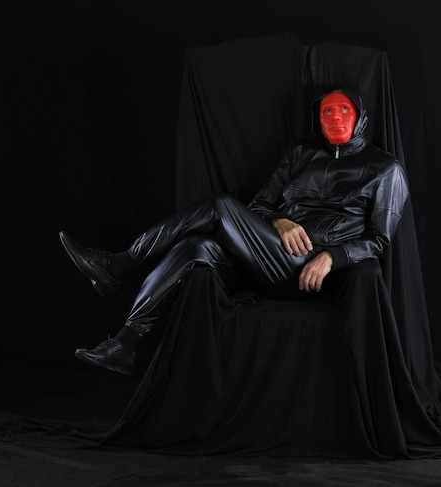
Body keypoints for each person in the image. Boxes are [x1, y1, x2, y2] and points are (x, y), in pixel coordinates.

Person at [59, 87, 409, 376]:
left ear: (360, 117)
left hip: (308, 272)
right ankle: (125, 344)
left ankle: (118, 265)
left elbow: (379, 240)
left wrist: (332, 256)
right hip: (267, 256)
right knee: (195, 246)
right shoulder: (300, 155)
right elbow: (258, 206)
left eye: (344, 110)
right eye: (327, 111)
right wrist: (279, 221)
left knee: (220, 205)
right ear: (317, 118)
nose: (335, 118)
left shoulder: (384, 168)